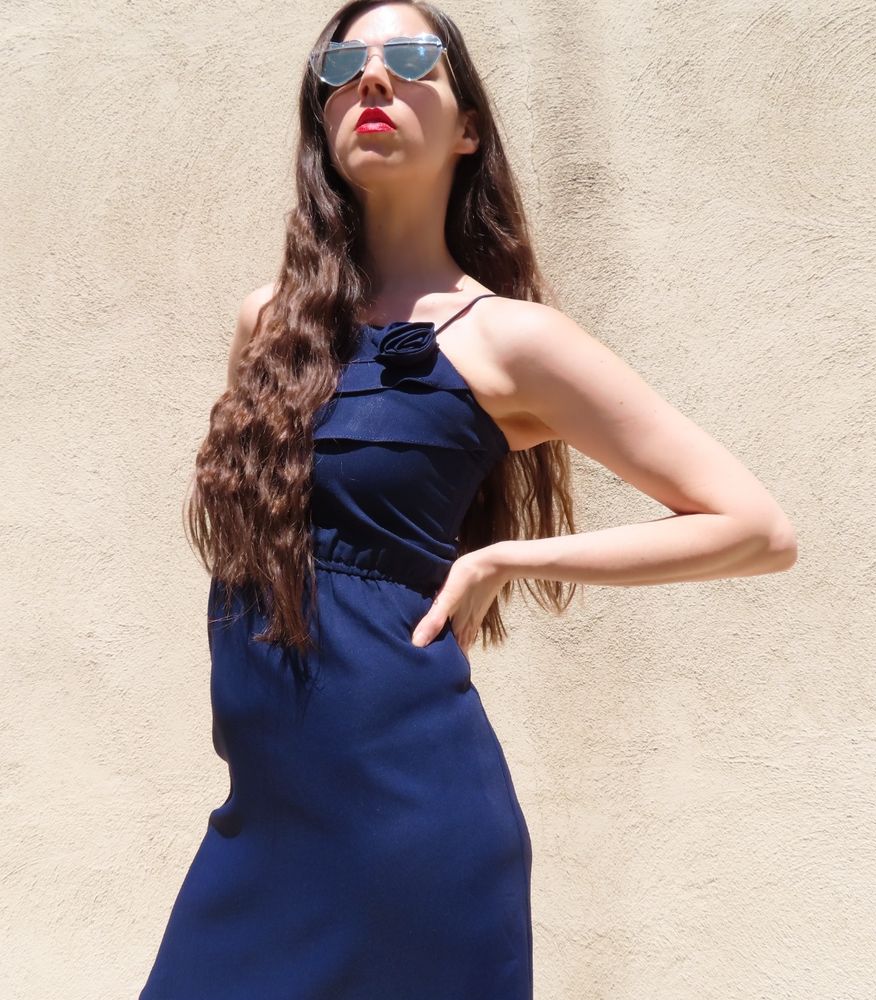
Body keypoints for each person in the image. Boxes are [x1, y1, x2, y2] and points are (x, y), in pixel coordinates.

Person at [138, 1, 798, 997]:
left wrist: (506, 557)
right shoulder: (268, 325)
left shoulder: (509, 340)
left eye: (411, 59)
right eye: (342, 66)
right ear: (319, 118)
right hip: (262, 827)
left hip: (413, 836)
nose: (372, 80)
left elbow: (754, 527)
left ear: (468, 128)